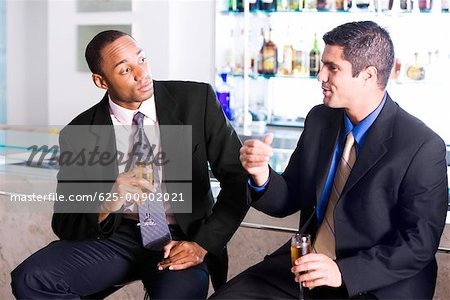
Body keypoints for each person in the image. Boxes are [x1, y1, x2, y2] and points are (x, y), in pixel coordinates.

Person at [211, 21, 448, 299]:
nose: (320, 76)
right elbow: (288, 197)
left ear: (368, 76)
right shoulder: (319, 119)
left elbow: (418, 244)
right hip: (307, 267)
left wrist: (342, 272)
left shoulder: (422, 146)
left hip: (374, 282)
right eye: (322, 65)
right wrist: (262, 175)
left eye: (332, 68)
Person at [11, 30, 249, 299]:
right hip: (117, 238)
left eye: (142, 59)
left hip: (183, 238)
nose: (142, 73)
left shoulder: (196, 100)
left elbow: (239, 180)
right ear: (101, 81)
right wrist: (108, 203)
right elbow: (65, 223)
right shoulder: (79, 131)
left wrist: (202, 244)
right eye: (125, 70)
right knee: (30, 279)